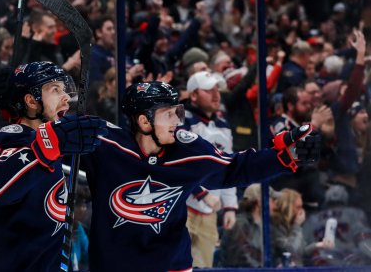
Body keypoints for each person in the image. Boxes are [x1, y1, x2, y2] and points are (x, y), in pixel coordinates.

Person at [79, 81, 320, 271]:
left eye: (177, 112)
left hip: (170, 265)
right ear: (144, 121)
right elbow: (53, 142)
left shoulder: (187, 149)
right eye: (168, 114)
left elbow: (234, 168)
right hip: (114, 264)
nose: (177, 121)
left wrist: (283, 157)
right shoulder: (104, 145)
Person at [0, 61, 107, 271]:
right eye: (55, 89)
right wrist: (47, 146)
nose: (66, 97)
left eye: (64, 89)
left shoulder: (48, 141)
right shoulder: (9, 137)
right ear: (32, 101)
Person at [182, 71, 238, 268]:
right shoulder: (183, 122)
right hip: (182, 208)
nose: (216, 95)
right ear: (194, 95)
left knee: (205, 266)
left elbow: (228, 168)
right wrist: (202, 194)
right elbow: (180, 166)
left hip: (210, 212)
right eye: (209, 90)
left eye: (217, 90)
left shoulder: (223, 125)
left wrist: (230, 206)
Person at [219, 184, 280, 268]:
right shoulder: (239, 224)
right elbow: (240, 259)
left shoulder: (266, 226)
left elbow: (273, 253)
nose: (275, 205)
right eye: (272, 200)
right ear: (259, 201)